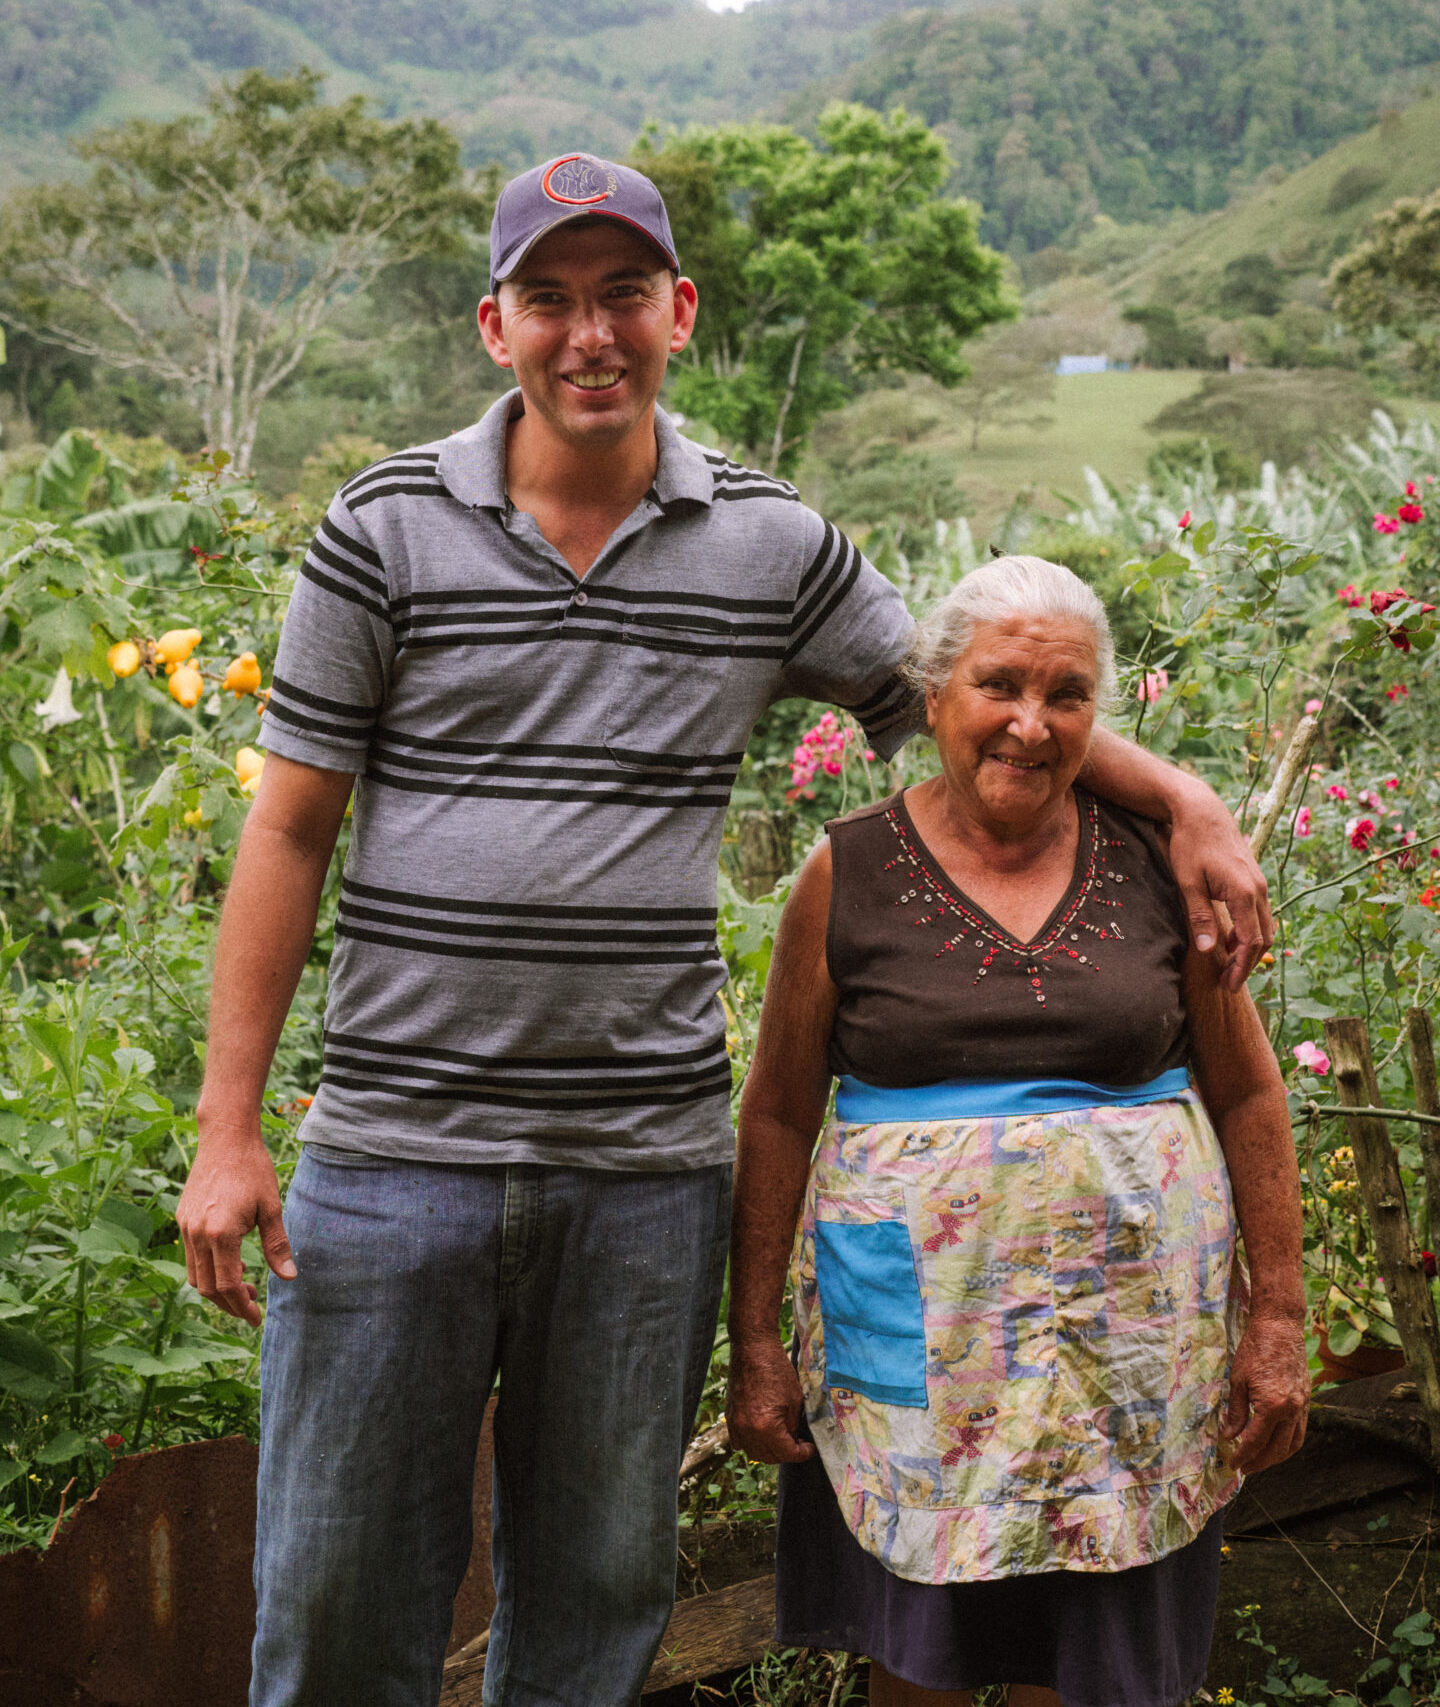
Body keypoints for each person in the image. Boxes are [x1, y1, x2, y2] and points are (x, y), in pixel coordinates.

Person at [176, 154, 1275, 1707]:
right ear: (494, 325)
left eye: (623, 293)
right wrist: (230, 1127)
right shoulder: (385, 527)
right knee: (342, 1599)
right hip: (394, 1155)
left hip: (640, 1177)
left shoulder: (766, 546)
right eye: (549, 299)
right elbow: (285, 826)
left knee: (596, 1607)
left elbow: (979, 700)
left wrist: (1188, 805)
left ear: (678, 311)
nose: (589, 334)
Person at [726, 555, 1308, 1707]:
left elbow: (1247, 1093)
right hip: (922, 1353)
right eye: (999, 686)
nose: (1030, 727)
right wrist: (753, 1344)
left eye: (1069, 696)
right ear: (932, 695)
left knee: (1094, 1656)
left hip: (1135, 1355)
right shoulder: (845, 874)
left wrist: (1279, 1314)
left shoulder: (1161, 864)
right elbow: (781, 1110)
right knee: (922, 1650)